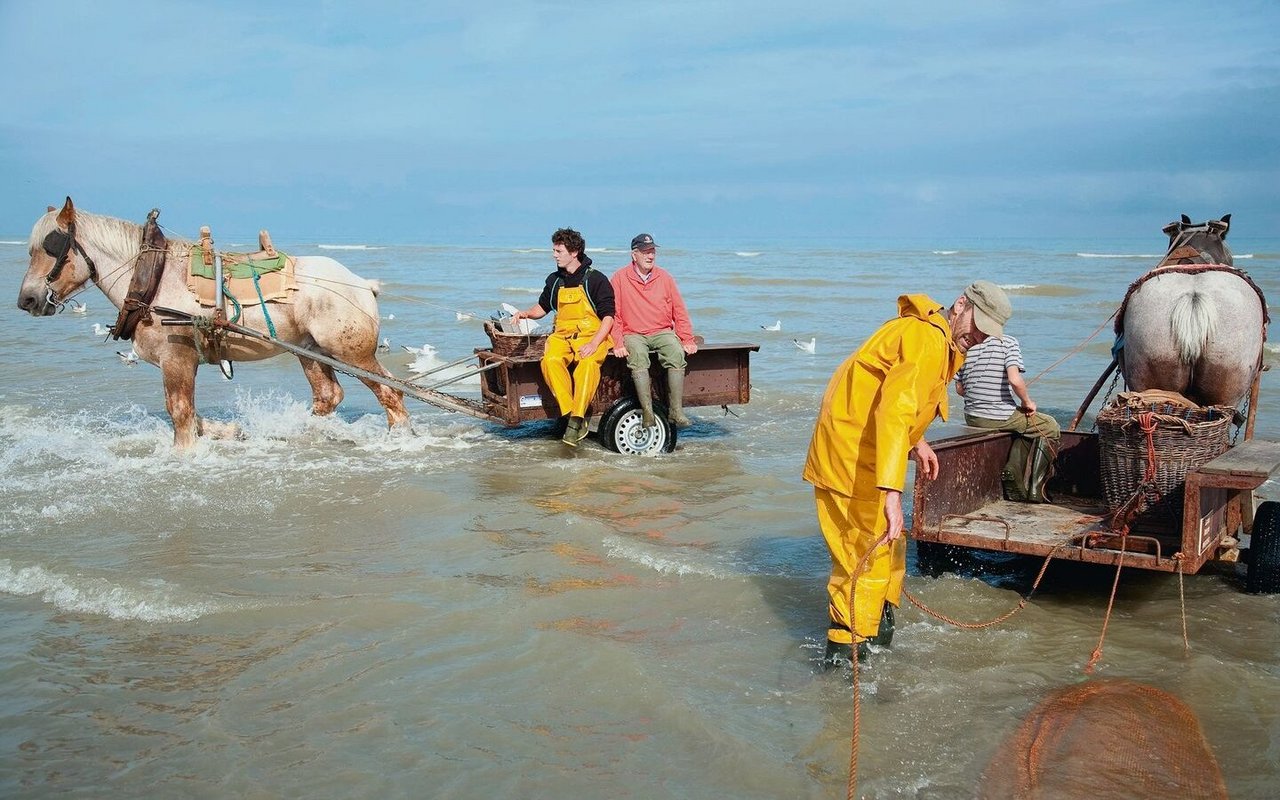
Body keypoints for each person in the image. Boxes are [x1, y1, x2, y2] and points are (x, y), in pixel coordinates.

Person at [803, 280, 1012, 667]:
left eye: (988, 333)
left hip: (866, 449)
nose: (979, 337)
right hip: (850, 457)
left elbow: (890, 397)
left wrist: (917, 442)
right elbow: (894, 411)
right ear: (961, 304)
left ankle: (877, 636)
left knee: (888, 545)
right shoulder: (926, 339)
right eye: (977, 325)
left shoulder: (939, 340)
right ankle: (845, 659)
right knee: (860, 556)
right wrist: (892, 493)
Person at [512, 228, 615, 447]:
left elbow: (608, 317)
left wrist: (594, 343)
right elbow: (543, 307)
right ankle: (569, 414)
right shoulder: (554, 280)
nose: (554, 255)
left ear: (574, 251)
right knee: (549, 361)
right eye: (554, 250)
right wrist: (526, 313)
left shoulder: (595, 279)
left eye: (559, 250)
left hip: (591, 335)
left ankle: (577, 420)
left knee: (587, 365)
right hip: (562, 337)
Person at [955, 334, 1061, 503]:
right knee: (1050, 425)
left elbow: (960, 389)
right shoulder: (1008, 342)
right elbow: (1014, 380)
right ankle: (1036, 487)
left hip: (972, 416)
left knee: (1024, 427)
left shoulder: (967, 345)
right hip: (999, 415)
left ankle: (1014, 473)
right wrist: (1027, 402)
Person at [610, 233, 698, 429]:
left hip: (661, 331)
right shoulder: (619, 278)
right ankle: (648, 413)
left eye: (652, 252)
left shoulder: (664, 277)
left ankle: (676, 411)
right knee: (638, 357)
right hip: (633, 333)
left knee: (676, 352)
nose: (650, 256)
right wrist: (617, 342)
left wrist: (687, 338)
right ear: (634, 255)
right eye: (645, 252)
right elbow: (613, 314)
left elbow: (679, 309)